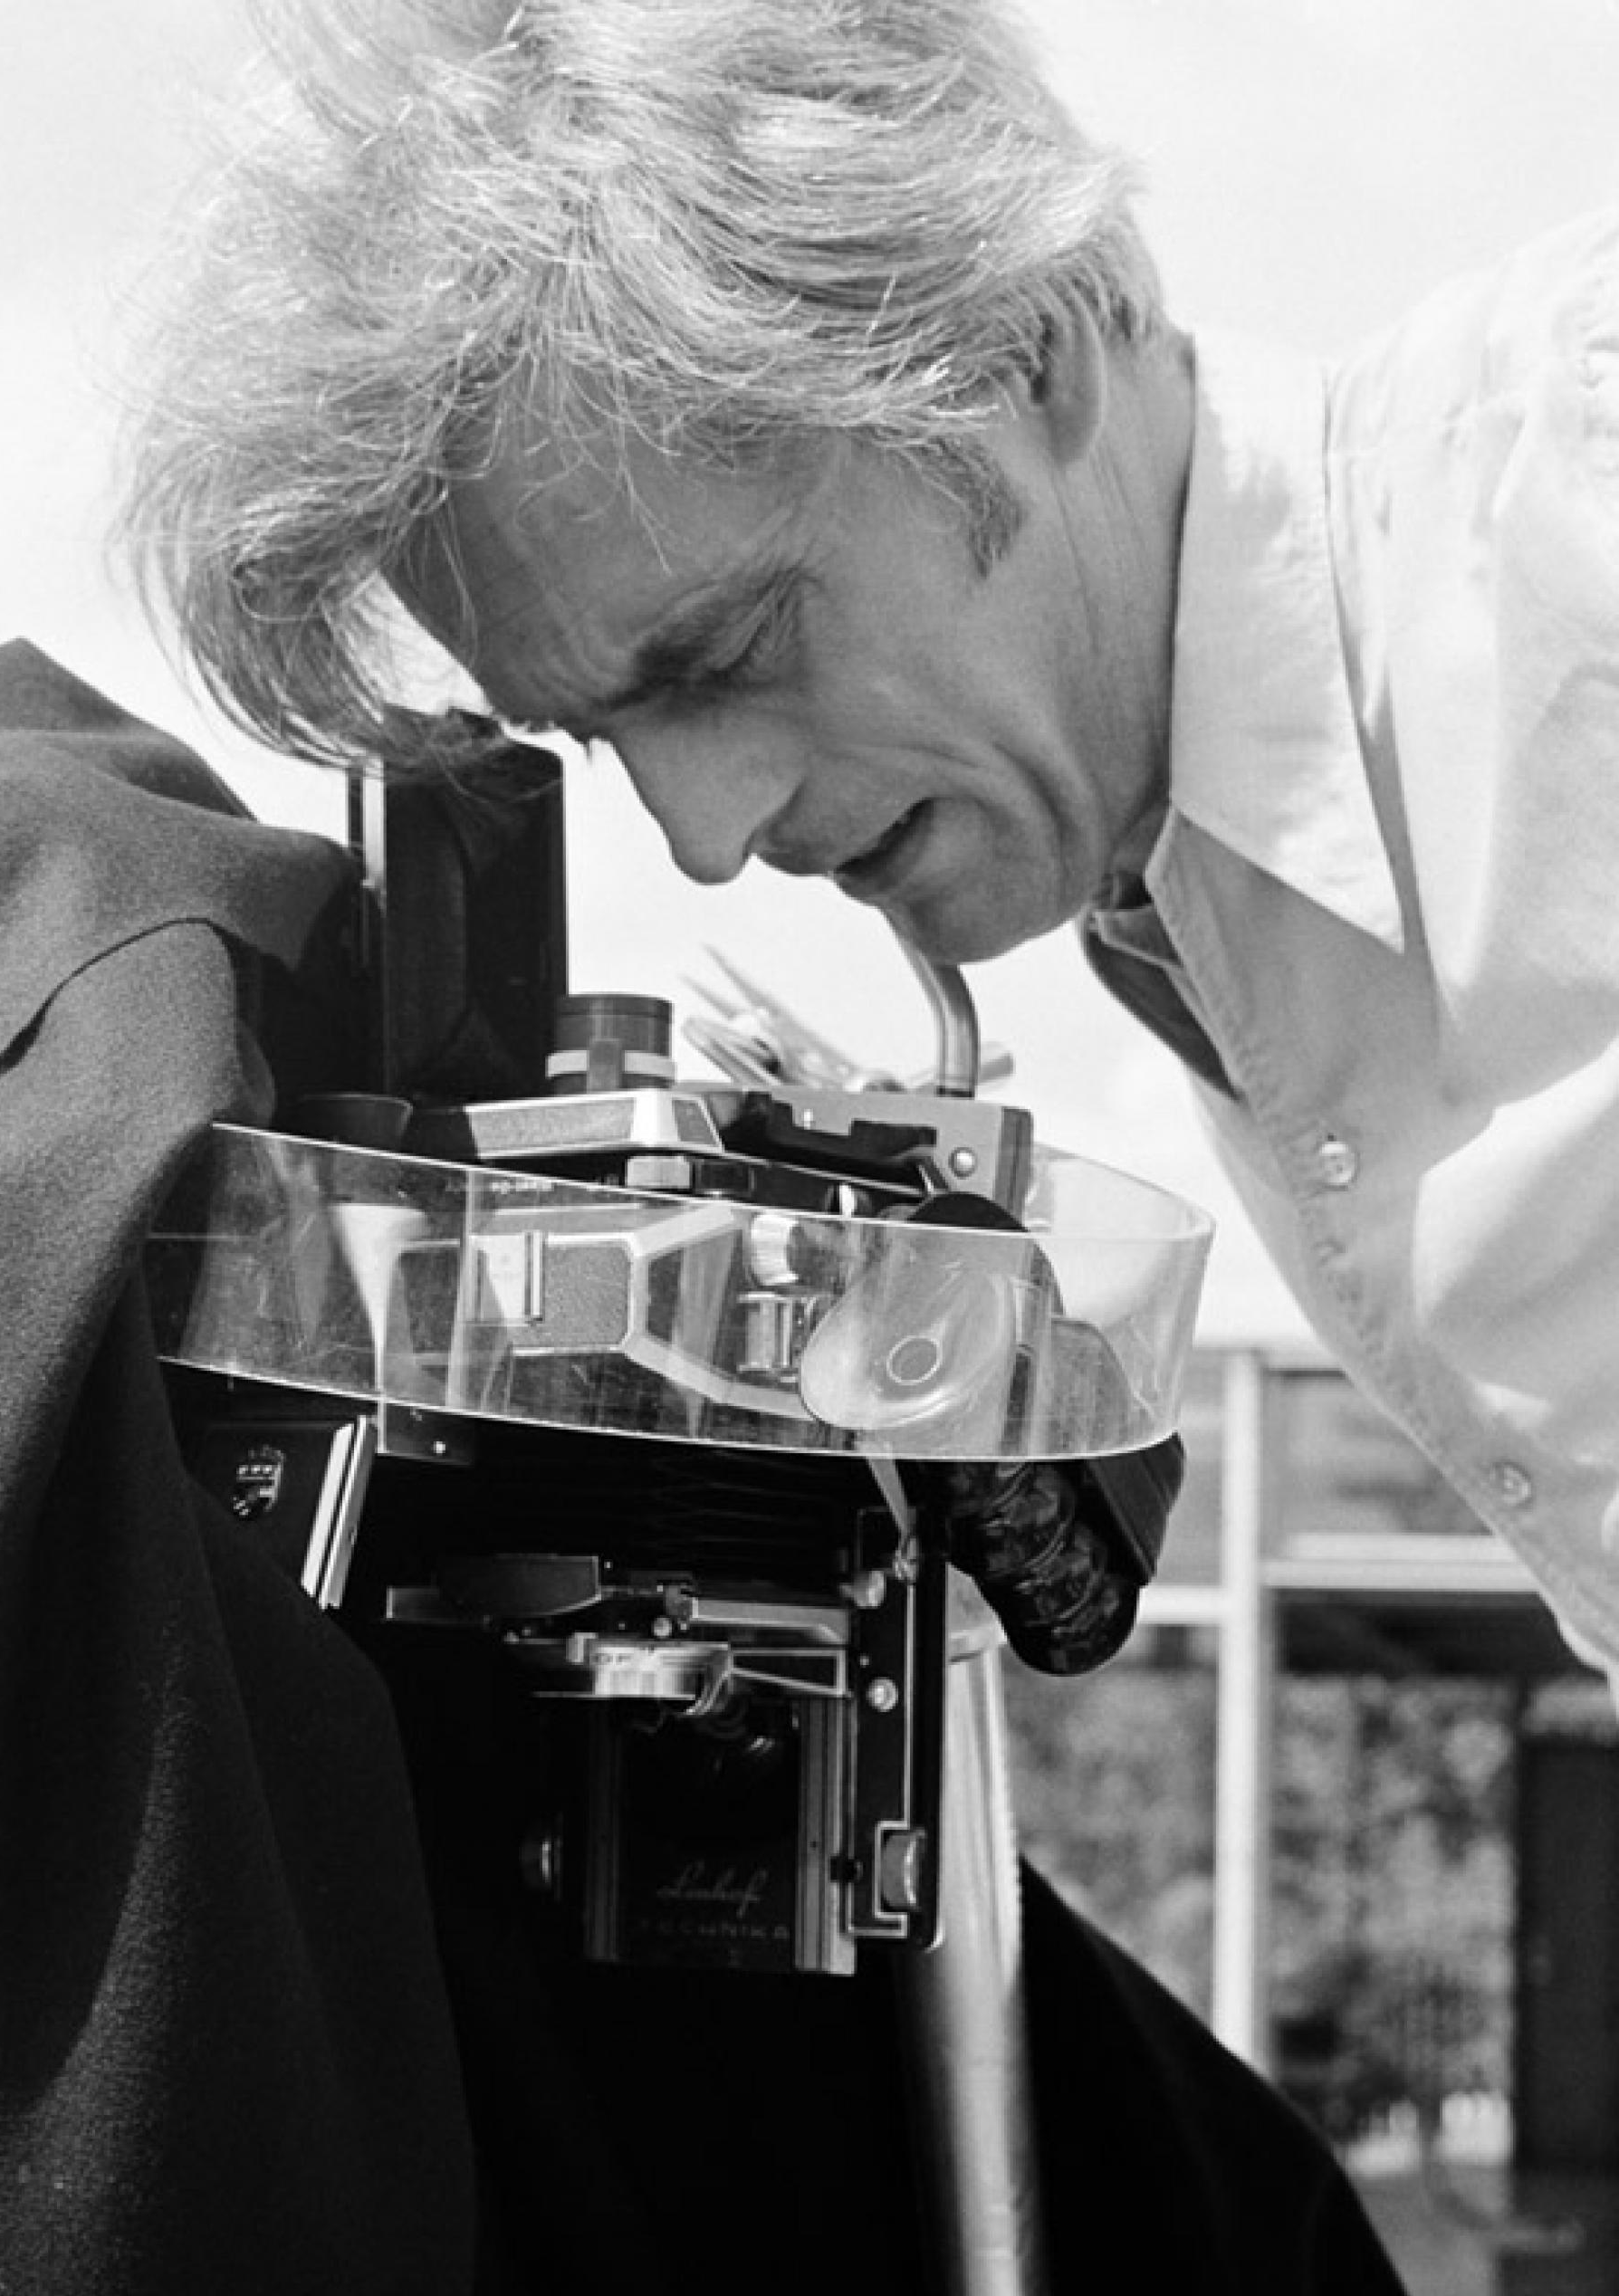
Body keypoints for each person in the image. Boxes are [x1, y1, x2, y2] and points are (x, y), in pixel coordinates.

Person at [122, 0, 1619, 1688]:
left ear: (1022, 347)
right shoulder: (1164, 882)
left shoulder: (1584, 488)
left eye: (733, 650)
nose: (701, 836)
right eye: (604, 734)